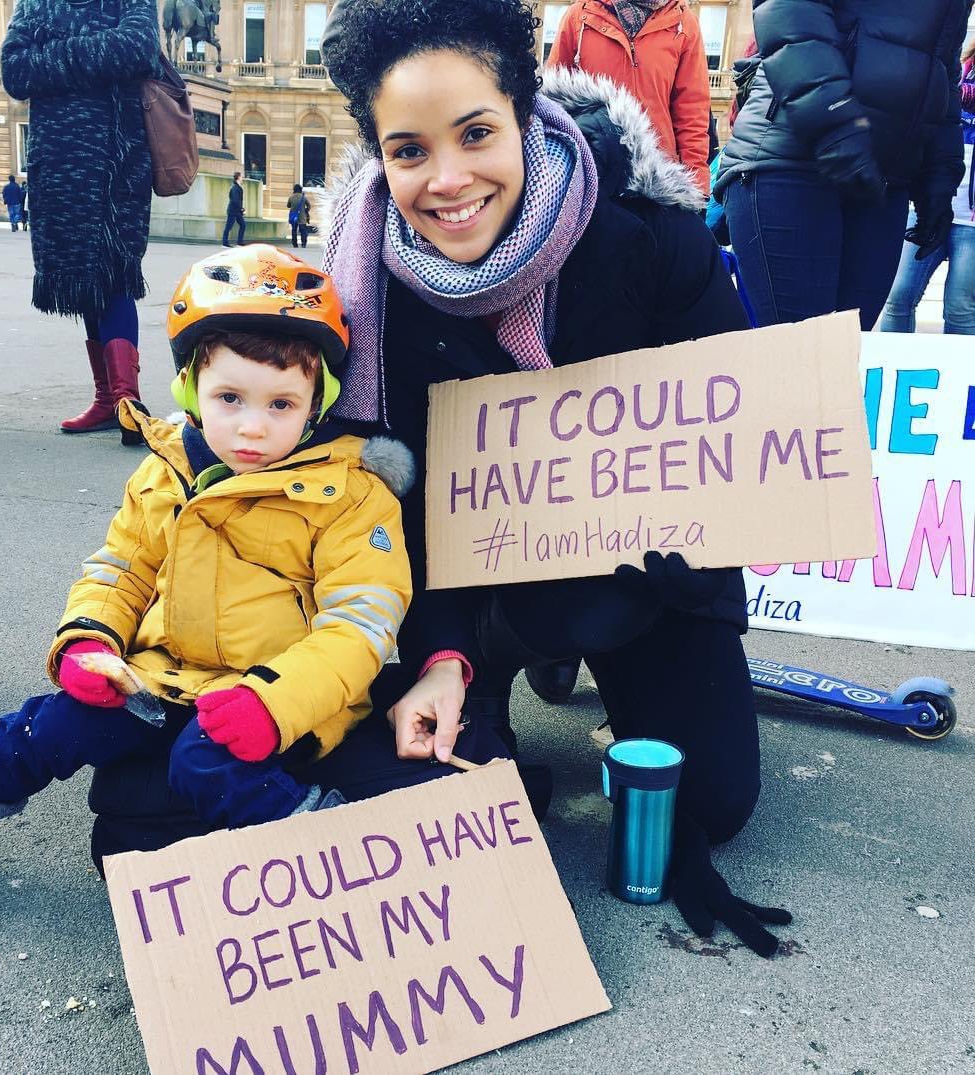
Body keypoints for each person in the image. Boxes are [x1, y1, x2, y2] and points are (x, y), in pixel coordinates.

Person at [318, 0, 793, 958]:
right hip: (464, 584)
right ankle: (491, 672)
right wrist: (444, 656)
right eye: (407, 150)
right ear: (378, 155)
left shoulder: (652, 241)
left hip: (640, 581)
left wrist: (694, 562)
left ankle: (574, 651)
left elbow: (737, 442)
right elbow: (388, 522)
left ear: (523, 110)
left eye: (476, 134)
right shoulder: (361, 295)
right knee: (419, 778)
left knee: (710, 800)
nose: (446, 180)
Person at [0, 244, 414, 878]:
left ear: (317, 402)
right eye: (230, 399)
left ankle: (330, 867)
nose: (252, 428)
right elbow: (121, 568)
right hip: (160, 677)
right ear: (193, 388)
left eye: (281, 404)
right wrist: (88, 639)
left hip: (279, 699)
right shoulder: (165, 470)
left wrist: (275, 704)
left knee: (205, 762)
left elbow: (360, 625)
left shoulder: (352, 493)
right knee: (46, 727)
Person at [715, 0, 972, 331]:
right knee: (803, 358)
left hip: (881, 178)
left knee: (844, 356)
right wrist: (834, 124)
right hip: (791, 159)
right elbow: (789, 11)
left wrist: (939, 173)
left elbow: (942, 65)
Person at [1, 0, 160, 443]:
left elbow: (137, 48)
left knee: (115, 269)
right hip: (58, 163)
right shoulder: (35, 5)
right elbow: (15, 71)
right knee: (81, 276)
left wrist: (54, 56)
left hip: (116, 160)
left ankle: (127, 400)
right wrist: (95, 56)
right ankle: (109, 400)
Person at [546, 0, 711, 196]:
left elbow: (691, 114)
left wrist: (697, 190)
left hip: (660, 181)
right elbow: (553, 105)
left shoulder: (684, 22)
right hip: (592, 175)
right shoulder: (578, 16)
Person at [880, 36, 975, 335]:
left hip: (971, 222)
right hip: (930, 205)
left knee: (960, 307)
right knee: (897, 298)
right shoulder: (955, 75)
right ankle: (890, 371)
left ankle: (958, 380)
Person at [222, 170, 245, 247]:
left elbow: (237, 200)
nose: (242, 178)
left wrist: (241, 209)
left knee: (243, 225)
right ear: (238, 177)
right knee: (229, 226)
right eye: (242, 177)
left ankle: (239, 242)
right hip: (233, 211)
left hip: (236, 211)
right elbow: (235, 200)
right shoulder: (235, 188)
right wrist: (241, 209)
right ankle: (225, 243)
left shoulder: (237, 187)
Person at [287, 182, 311, 248]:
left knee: (294, 230)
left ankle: (295, 244)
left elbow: (288, 205)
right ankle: (303, 243)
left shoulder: (291, 197)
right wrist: (306, 210)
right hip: (302, 217)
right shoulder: (303, 197)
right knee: (303, 230)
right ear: (301, 190)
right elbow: (309, 205)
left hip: (293, 217)